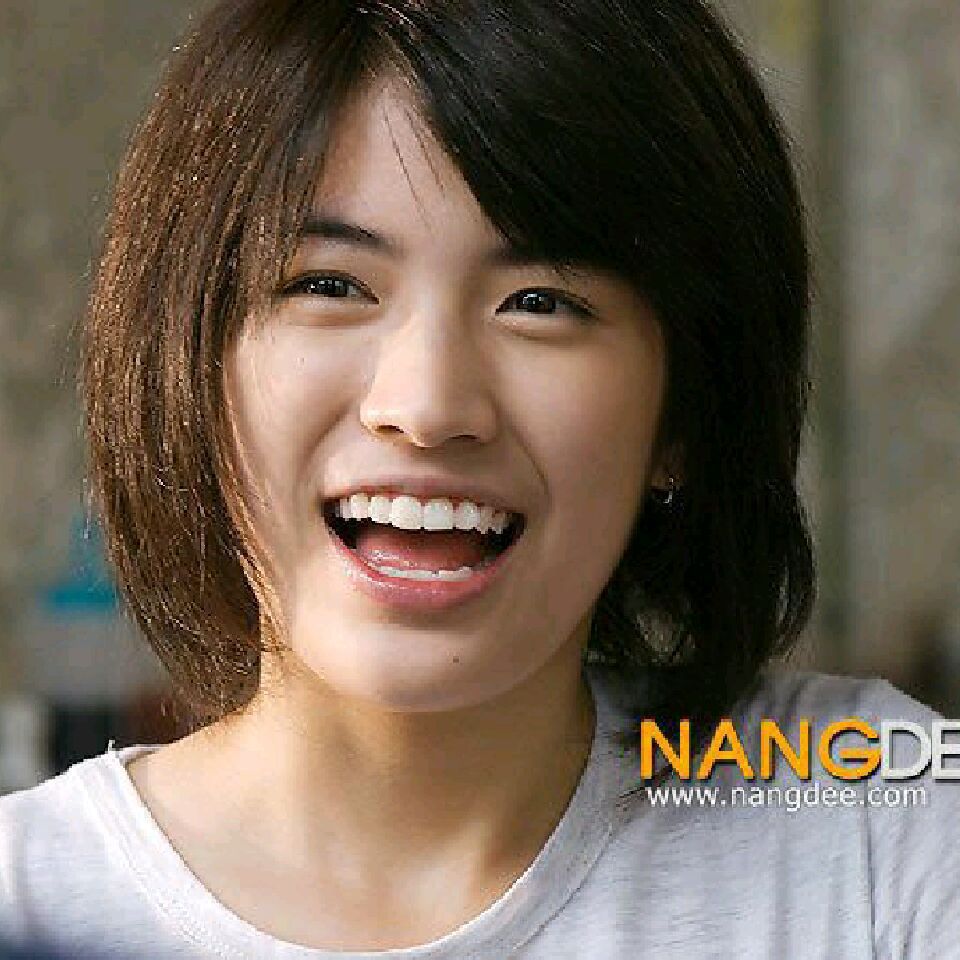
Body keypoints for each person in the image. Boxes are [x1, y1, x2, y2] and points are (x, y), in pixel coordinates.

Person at [1, 0, 958, 957]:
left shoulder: (881, 818)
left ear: (682, 414)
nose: (426, 406)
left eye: (540, 303)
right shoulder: (29, 899)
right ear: (189, 367)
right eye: (330, 286)